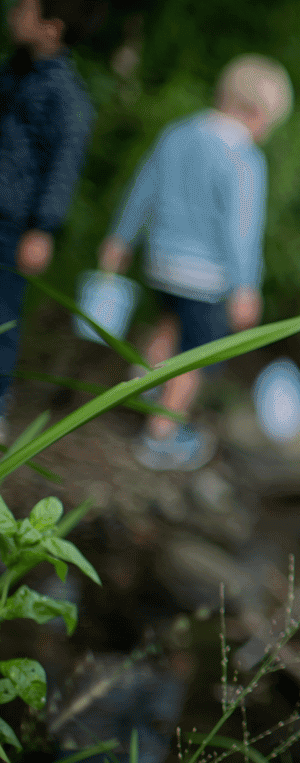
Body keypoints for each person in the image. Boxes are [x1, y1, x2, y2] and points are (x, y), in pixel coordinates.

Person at [98, 53, 292, 471]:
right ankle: (159, 435)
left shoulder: (178, 133)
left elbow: (143, 187)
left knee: (169, 323)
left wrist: (120, 238)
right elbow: (241, 231)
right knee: (196, 356)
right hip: (207, 276)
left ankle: (146, 377)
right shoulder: (244, 158)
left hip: (162, 263)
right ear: (256, 114)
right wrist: (245, 287)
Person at [0, 0, 97, 439]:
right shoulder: (13, 71)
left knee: (3, 314)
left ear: (51, 28)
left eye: (25, 7)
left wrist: (42, 228)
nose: (13, 12)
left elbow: (63, 167)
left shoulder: (66, 96)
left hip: (14, 223)